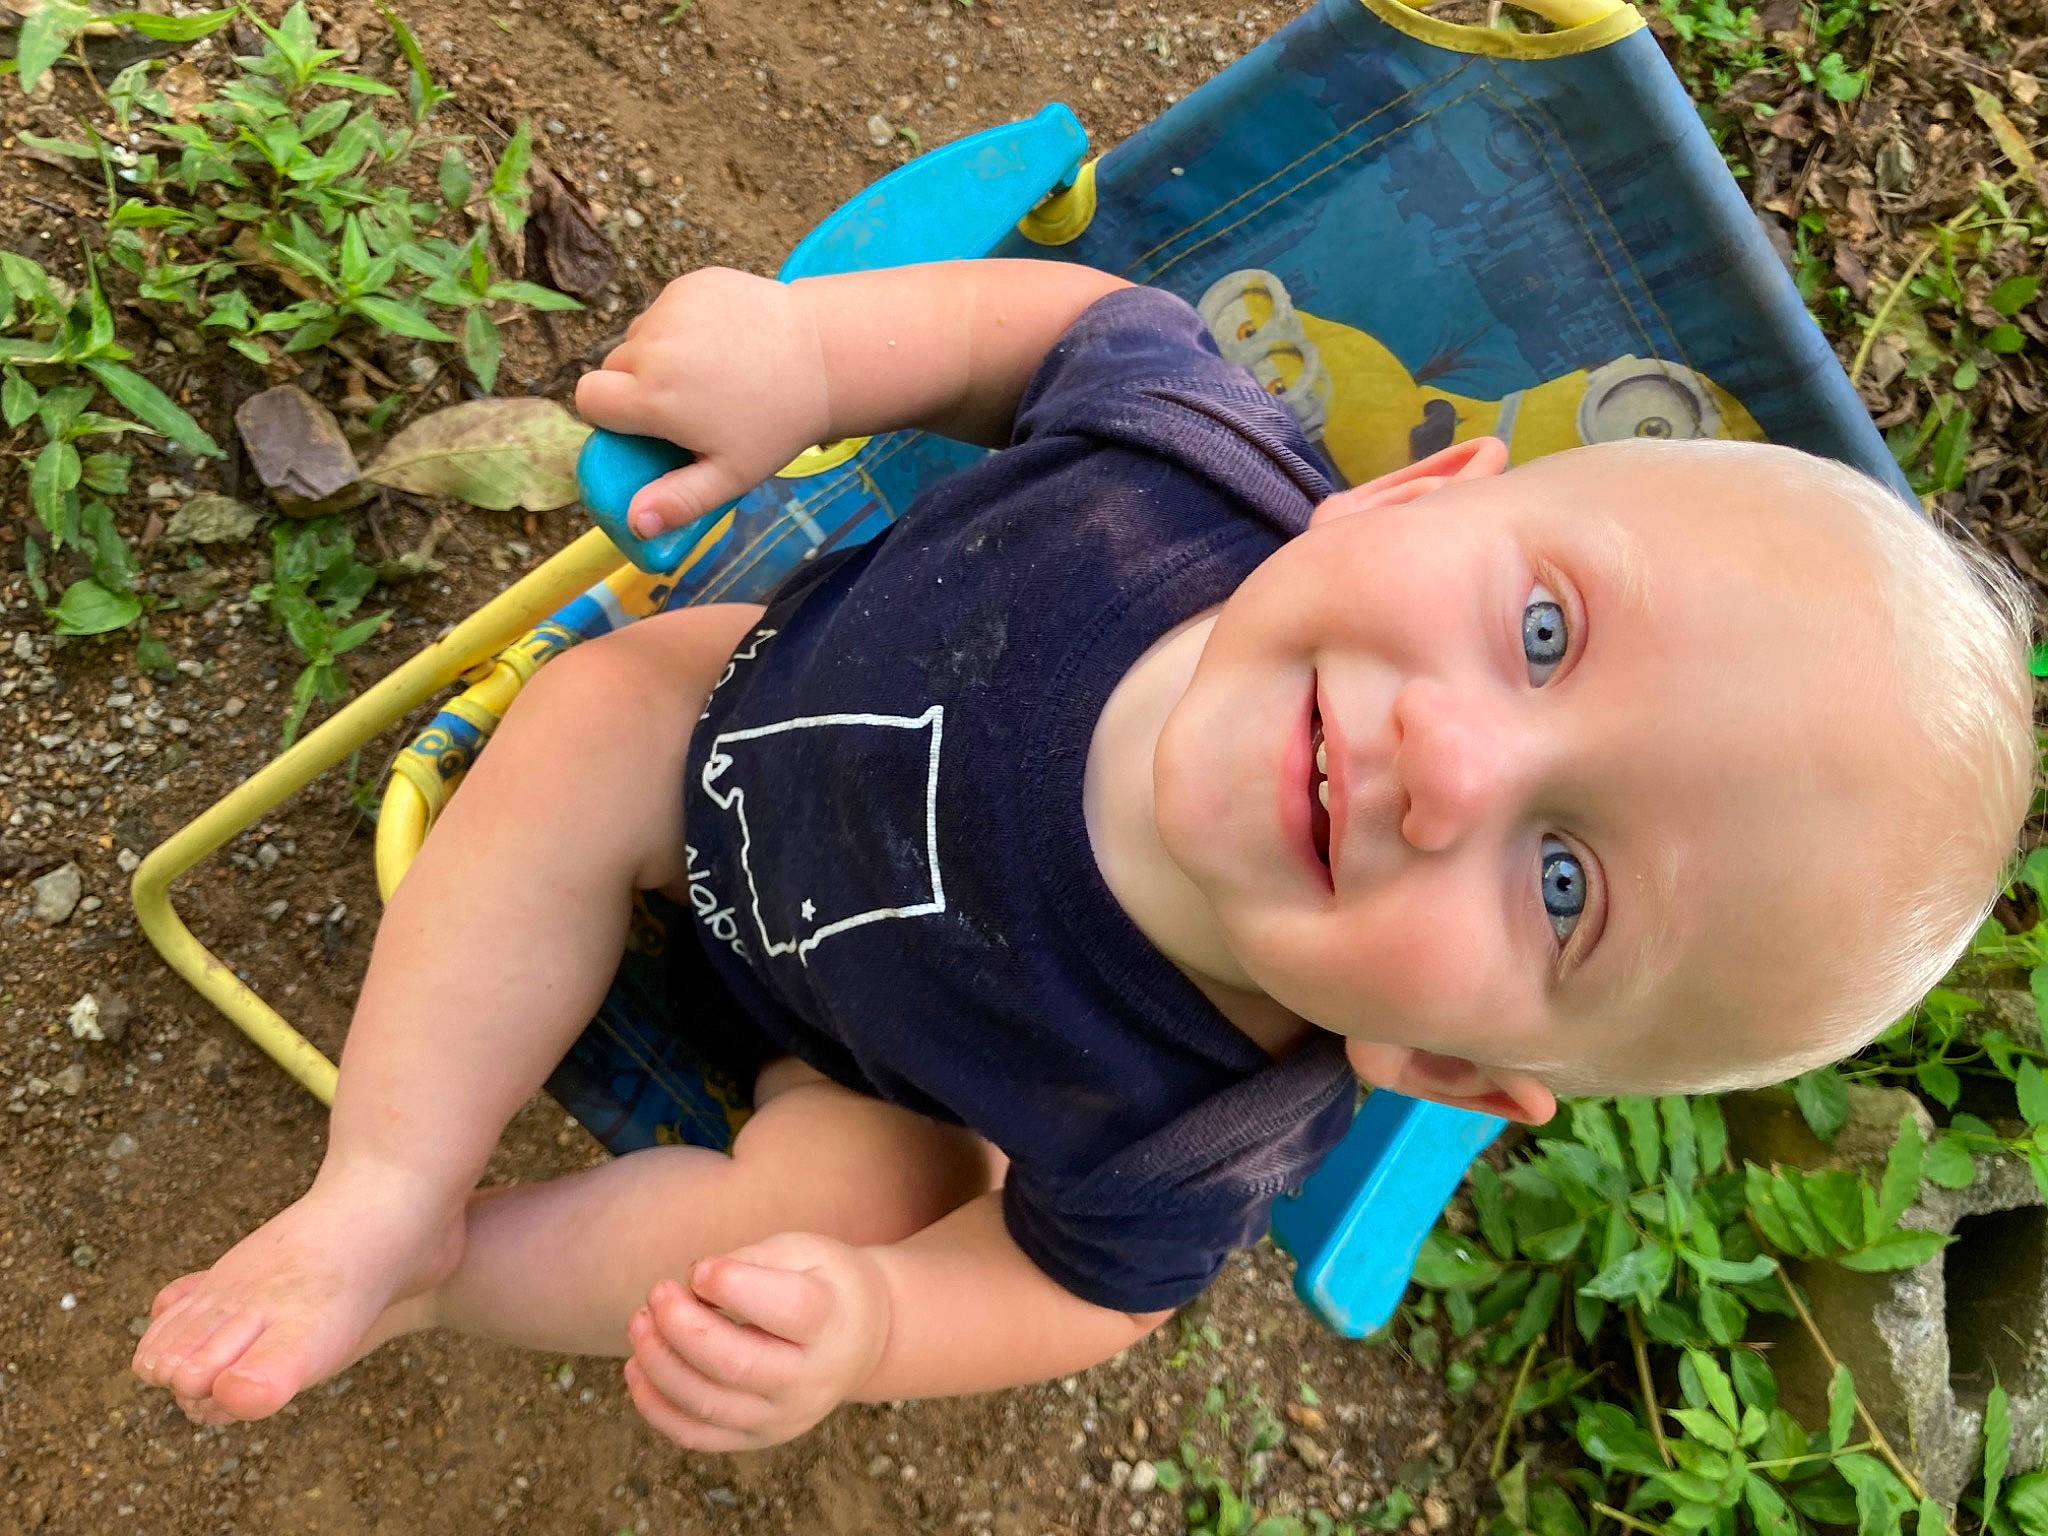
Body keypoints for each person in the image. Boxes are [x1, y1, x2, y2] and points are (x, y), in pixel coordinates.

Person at [132, 261, 2034, 1450]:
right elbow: (1051, 322)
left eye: (1564, 884)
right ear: (1421, 487)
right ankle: (383, 1185)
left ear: (1444, 1070)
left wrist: (873, 1326)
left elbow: (1088, 1301)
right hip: (711, 724)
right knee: (592, 722)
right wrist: (806, 353)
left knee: (839, 1209)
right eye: (1545, 634)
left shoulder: (1199, 1122)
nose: (1449, 764)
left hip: (846, 1071)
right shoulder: (1186, 464)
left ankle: (442, 1274)